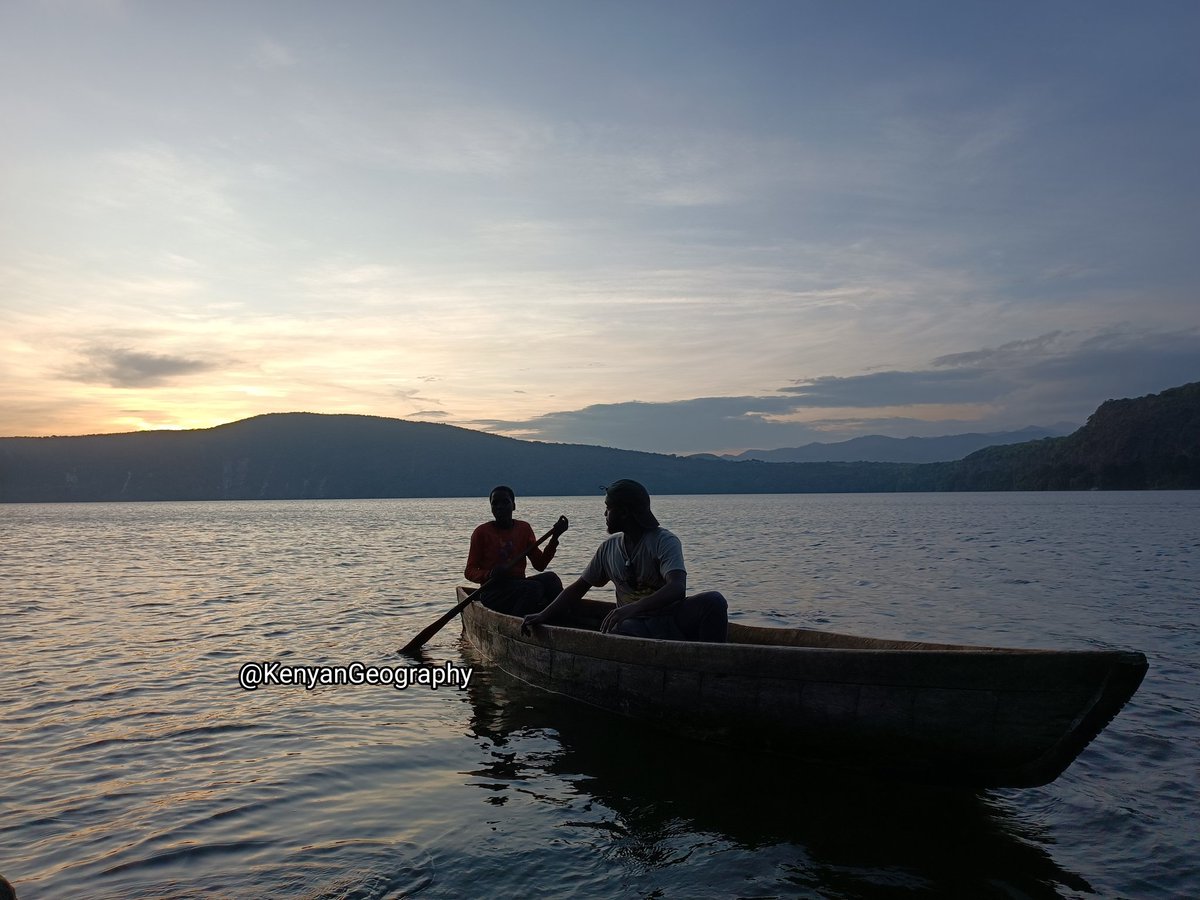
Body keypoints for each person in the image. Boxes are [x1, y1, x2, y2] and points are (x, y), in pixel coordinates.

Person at [522, 479, 727, 642]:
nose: (604, 514)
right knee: (620, 633)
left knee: (714, 601)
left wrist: (632, 608)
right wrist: (543, 615)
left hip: (672, 618)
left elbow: (677, 587)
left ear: (624, 512)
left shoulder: (664, 541)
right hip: (632, 625)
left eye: (608, 508)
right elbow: (578, 589)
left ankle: (714, 666)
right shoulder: (609, 548)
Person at [465, 485, 568, 616]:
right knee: (533, 588)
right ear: (491, 508)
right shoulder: (481, 532)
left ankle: (562, 618)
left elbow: (540, 565)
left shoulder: (524, 528)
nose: (500, 507)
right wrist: (489, 574)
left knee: (551, 579)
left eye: (505, 502)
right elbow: (469, 571)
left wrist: (555, 538)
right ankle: (518, 625)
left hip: (519, 585)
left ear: (513, 506)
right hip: (492, 591)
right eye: (495, 503)